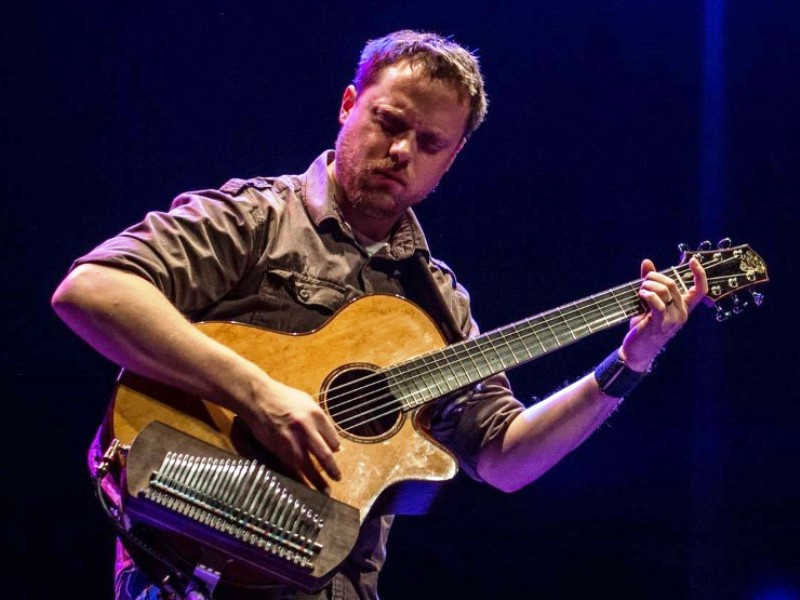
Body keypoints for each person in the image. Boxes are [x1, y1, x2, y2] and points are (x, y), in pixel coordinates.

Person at [51, 29, 708, 600]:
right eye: (390, 123)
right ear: (348, 105)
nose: (401, 152)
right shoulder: (257, 218)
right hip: (191, 561)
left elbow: (504, 460)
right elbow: (93, 290)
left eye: (429, 142)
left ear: (451, 159)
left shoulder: (438, 303)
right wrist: (258, 395)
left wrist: (631, 361)